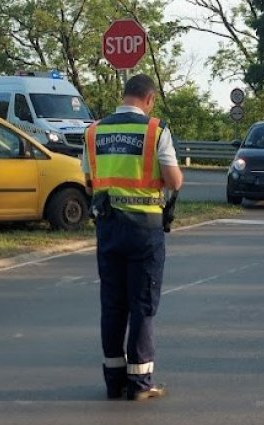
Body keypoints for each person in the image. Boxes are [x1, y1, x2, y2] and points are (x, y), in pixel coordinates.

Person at [81, 74, 184, 401]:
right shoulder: (155, 130)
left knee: (112, 304)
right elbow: (173, 180)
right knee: (142, 305)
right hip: (144, 229)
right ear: (149, 98)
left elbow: (88, 180)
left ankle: (114, 381)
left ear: (124, 95)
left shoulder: (94, 132)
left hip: (108, 227)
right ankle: (140, 383)